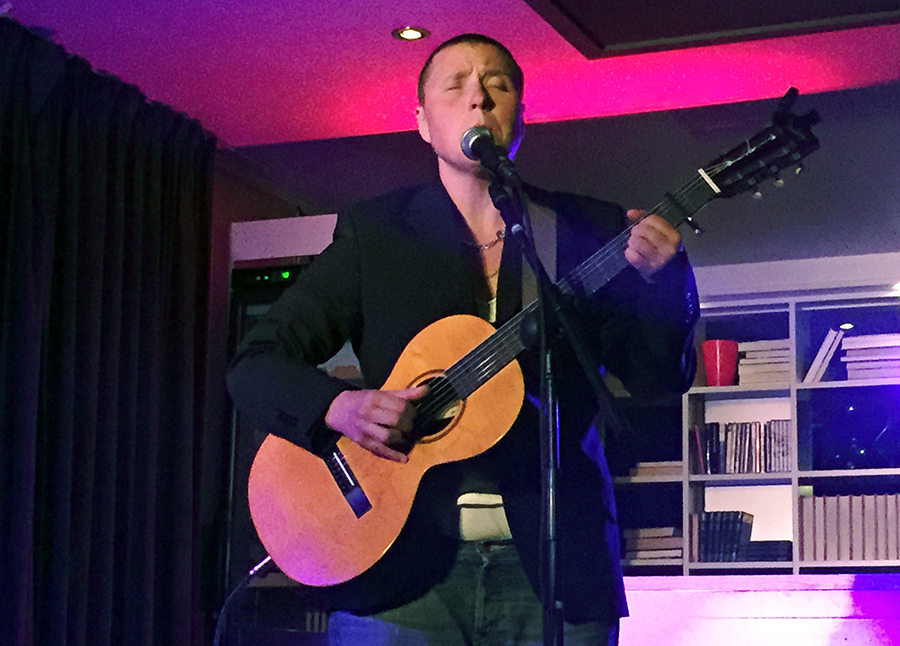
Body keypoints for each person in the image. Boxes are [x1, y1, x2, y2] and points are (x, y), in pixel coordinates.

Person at [226, 33, 699, 646]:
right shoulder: (377, 233)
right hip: (397, 572)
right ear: (423, 122)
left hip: (555, 568)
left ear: (520, 118)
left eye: (497, 84)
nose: (479, 97)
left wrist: (669, 284)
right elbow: (256, 364)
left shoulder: (587, 230)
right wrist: (338, 407)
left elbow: (658, 380)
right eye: (456, 86)